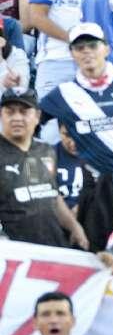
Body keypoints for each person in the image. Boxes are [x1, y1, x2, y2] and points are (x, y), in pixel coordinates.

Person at [39, 23, 113, 181]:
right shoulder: (63, 93)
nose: (86, 51)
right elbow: (32, 120)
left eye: (93, 45)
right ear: (72, 53)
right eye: (79, 48)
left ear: (107, 49)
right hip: (89, 183)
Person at [0, 86, 86, 248]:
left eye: (24, 112)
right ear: (1, 115)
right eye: (10, 112)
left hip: (53, 246)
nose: (17, 118)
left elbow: (51, 195)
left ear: (37, 116)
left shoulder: (46, 151)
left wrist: (74, 226)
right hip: (14, 251)